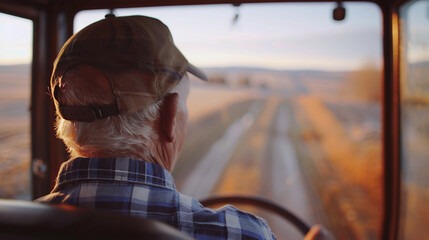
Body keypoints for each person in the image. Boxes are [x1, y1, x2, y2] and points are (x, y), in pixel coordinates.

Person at [36, 14, 333, 240]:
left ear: (67, 121)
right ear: (170, 117)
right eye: (185, 107)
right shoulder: (242, 234)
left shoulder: (15, 224)